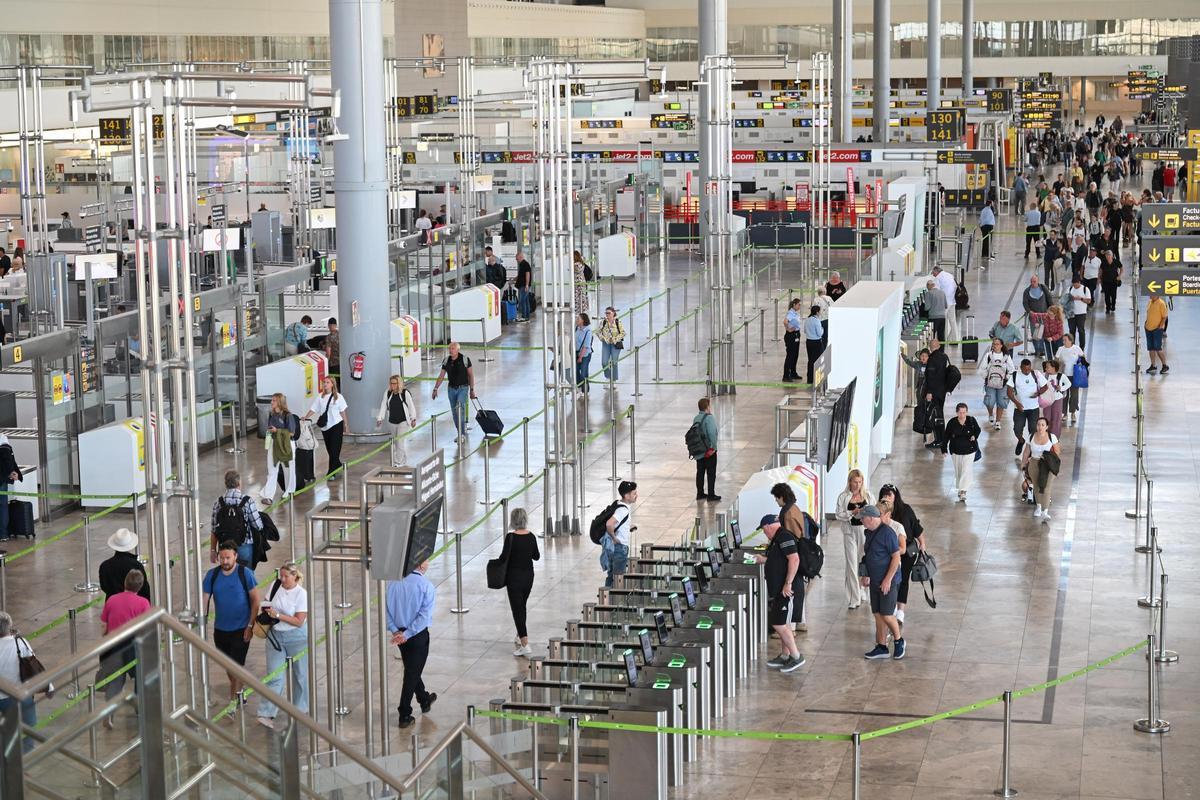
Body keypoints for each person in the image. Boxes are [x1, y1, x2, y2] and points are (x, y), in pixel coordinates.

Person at [203, 541, 261, 701]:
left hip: (241, 628)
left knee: (237, 666)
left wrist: (250, 625)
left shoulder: (246, 574)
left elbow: (256, 600)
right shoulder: (212, 575)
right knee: (229, 667)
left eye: (228, 557)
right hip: (221, 630)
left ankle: (234, 700)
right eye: (222, 558)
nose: (225, 561)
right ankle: (238, 691)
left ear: (235, 556)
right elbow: (204, 600)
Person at [255, 562, 309, 728]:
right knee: (274, 675)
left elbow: (299, 621)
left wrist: (278, 615)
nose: (283, 579)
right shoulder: (276, 585)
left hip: (297, 638)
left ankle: (300, 709)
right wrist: (267, 611)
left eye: (286, 576)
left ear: (295, 577)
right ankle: (266, 713)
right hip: (276, 635)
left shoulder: (301, 594)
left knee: (300, 675)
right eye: (281, 576)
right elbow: (266, 602)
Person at [385, 560, 438, 728]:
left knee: (412, 668)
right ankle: (404, 713)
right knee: (411, 674)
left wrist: (396, 632)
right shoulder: (426, 586)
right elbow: (424, 616)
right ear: (421, 565)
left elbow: (385, 610)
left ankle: (424, 699)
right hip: (416, 635)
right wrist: (406, 634)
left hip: (399, 634)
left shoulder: (392, 583)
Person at [753, 514, 805, 673]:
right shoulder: (778, 538)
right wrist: (764, 560)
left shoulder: (784, 537)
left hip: (787, 589)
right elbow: (780, 560)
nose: (764, 533)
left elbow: (794, 559)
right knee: (784, 622)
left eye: (763, 530)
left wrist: (787, 584)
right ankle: (785, 655)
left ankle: (796, 657)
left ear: (768, 526)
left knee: (778, 623)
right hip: (780, 589)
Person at [98, 569, 152, 723]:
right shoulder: (143, 603)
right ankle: (139, 708)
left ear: (125, 583)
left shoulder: (112, 600)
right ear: (140, 586)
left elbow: (104, 625)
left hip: (113, 644)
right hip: (133, 646)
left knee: (115, 680)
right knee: (140, 677)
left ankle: (109, 712)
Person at [859, 506, 905, 660]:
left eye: (862, 518)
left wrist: (887, 580)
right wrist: (865, 574)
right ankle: (881, 646)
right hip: (875, 581)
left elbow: (896, 557)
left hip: (888, 582)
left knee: (886, 614)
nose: (861, 521)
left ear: (871, 518)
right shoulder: (869, 532)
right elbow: (868, 555)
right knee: (878, 614)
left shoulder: (888, 533)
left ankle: (899, 640)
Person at [0, 612, 50, 750]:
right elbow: (34, 665)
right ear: (9, 627)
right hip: (20, 695)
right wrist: (49, 687)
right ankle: (24, 763)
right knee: (28, 730)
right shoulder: (19, 643)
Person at [876, 485, 923, 625]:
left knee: (902, 581)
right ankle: (891, 608)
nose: (887, 498)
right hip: (887, 555)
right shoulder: (880, 513)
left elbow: (916, 528)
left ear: (895, 496)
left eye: (889, 495)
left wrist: (923, 545)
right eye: (884, 495)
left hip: (906, 553)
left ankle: (900, 610)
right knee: (891, 581)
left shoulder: (905, 510)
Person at [501, 508, 541, 657]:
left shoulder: (510, 538)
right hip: (528, 577)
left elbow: (504, 557)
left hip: (514, 578)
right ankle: (520, 634)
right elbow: (536, 556)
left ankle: (525, 644)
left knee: (517, 610)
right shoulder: (531, 537)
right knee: (522, 606)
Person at [835, 470, 874, 610]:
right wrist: (852, 512)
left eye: (860, 482)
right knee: (851, 564)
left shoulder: (868, 495)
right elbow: (838, 515)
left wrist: (864, 511)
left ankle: (863, 589)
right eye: (855, 482)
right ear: (850, 482)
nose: (857, 485)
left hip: (865, 532)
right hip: (849, 532)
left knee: (864, 561)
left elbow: (874, 512)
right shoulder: (843, 497)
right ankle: (853, 597)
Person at [210, 470, 265, 568]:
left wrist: (213, 551)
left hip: (225, 548)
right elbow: (258, 525)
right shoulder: (247, 501)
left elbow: (214, 530)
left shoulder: (218, 503)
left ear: (225, 484)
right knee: (246, 576)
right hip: (244, 545)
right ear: (239, 483)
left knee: (228, 575)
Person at [432, 342, 476, 442]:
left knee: (459, 410)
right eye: (450, 348)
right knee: (454, 413)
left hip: (463, 388)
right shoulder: (446, 361)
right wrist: (435, 388)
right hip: (451, 389)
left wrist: (472, 390)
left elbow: (471, 375)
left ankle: (462, 435)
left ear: (457, 350)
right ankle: (460, 432)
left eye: (453, 348)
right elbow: (441, 375)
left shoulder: (465, 359)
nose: (451, 350)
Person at [304, 376, 348, 477]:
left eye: (327, 382)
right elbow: (313, 409)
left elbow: (343, 411)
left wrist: (346, 424)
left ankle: (331, 473)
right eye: (324, 382)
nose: (325, 384)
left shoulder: (338, 397)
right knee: (330, 450)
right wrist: (305, 417)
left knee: (334, 450)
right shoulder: (320, 397)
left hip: (337, 425)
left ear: (332, 384)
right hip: (325, 427)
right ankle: (338, 465)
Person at [1021, 417, 1061, 521]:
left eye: (1043, 425)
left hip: (1047, 465)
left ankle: (1045, 511)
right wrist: (1023, 463)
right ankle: (1038, 507)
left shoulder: (1052, 437)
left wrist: (1048, 456)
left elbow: (1057, 451)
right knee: (1037, 486)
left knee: (1047, 487)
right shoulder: (1031, 437)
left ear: (1047, 427)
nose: (1040, 427)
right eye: (1038, 424)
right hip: (1034, 463)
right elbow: (1026, 452)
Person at [260, 393, 298, 504]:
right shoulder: (272, 415)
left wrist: (278, 431)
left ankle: (289, 491)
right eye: (272, 400)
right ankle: (268, 496)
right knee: (272, 469)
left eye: (274, 400)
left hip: (286, 445)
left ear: (280, 402)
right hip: (274, 443)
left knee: (288, 469)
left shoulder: (288, 416)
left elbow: (291, 432)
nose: (271, 402)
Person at [1007, 358, 1048, 457]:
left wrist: (1038, 393)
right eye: (1025, 369)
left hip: (1033, 408)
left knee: (1033, 430)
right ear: (1020, 367)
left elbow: (1045, 386)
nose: (1027, 371)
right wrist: (1017, 403)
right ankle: (1021, 441)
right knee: (1017, 429)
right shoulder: (1015, 375)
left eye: (1028, 369)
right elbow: (1009, 392)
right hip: (1020, 409)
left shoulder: (1035, 374)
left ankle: (1030, 449)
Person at [375, 375, 418, 466]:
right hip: (392, 421)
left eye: (394, 383)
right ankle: (403, 459)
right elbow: (383, 405)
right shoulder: (387, 393)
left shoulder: (405, 393)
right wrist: (380, 418)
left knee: (400, 441)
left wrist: (413, 418)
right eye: (391, 383)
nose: (392, 385)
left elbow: (411, 407)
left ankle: (398, 462)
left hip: (403, 422)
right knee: (396, 443)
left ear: (399, 384)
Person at [98, 528, 151, 601]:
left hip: (113, 604)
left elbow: (104, 587)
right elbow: (144, 589)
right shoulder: (136, 565)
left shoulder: (105, 566)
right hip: (133, 604)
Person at [602, 481, 637, 588]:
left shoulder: (618, 504)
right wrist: (614, 537)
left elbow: (617, 523)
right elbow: (609, 524)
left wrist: (628, 527)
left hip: (613, 547)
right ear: (626, 496)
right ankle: (614, 601)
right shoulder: (623, 510)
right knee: (618, 579)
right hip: (619, 548)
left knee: (611, 577)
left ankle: (606, 601)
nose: (636, 496)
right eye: (634, 493)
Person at [943, 403, 982, 501]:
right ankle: (960, 490)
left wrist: (974, 436)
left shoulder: (971, 421)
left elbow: (978, 430)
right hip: (956, 451)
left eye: (964, 412)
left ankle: (963, 491)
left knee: (966, 469)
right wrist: (944, 449)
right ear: (956, 412)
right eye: (960, 412)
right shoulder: (952, 423)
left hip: (970, 450)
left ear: (967, 412)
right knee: (959, 471)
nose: (962, 415)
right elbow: (946, 436)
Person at [977, 338, 1014, 431]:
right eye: (994, 344)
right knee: (990, 401)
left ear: (1001, 345)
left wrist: (1006, 378)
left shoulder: (1006, 357)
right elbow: (981, 369)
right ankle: (990, 414)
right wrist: (987, 378)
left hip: (1003, 384)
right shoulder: (988, 355)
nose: (995, 346)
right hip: (990, 383)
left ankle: (998, 422)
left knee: (1001, 402)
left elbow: (1012, 370)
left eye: (997, 344)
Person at [922, 338, 951, 448]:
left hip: (934, 392)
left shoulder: (932, 359)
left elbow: (930, 377)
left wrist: (929, 392)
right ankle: (941, 439)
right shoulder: (944, 357)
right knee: (940, 414)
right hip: (942, 391)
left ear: (930, 347)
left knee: (935, 416)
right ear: (939, 346)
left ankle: (939, 440)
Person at [692, 397, 720, 502]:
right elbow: (712, 434)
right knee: (711, 473)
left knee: (700, 472)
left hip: (699, 450)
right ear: (707, 407)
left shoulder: (696, 418)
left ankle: (700, 493)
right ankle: (711, 495)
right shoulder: (709, 418)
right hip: (709, 451)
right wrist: (714, 447)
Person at [1055, 334, 1086, 427]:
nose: (1063, 342)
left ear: (1070, 340)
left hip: (1075, 375)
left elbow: (1083, 359)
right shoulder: (1060, 349)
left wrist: (1081, 365)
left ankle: (1073, 412)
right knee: (1064, 395)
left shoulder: (1076, 348)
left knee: (1074, 395)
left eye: (1065, 340)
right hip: (1064, 376)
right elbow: (1055, 361)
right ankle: (1064, 413)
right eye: (1063, 340)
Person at [1041, 360, 1071, 438]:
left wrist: (1061, 388)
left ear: (1054, 368)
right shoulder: (1044, 375)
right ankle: (1046, 435)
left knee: (1056, 417)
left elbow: (1069, 384)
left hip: (1057, 399)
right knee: (1047, 417)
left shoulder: (1061, 376)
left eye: (1048, 367)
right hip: (1047, 399)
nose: (1046, 368)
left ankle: (1055, 437)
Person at [0, 434, 21, 541]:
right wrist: (12, 472)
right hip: (2, 478)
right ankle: (3, 534)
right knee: (3, 505)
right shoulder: (2, 438)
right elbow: (8, 458)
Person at [1021, 276, 1049, 355]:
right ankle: (1037, 350)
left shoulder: (1043, 288)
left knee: (1043, 333)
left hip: (1044, 315)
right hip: (1033, 317)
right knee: (1034, 334)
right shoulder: (1027, 291)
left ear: (1038, 281)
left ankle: (1043, 350)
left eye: (1034, 281)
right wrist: (1029, 311)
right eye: (1032, 282)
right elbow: (1025, 303)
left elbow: (1049, 298)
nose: (1033, 283)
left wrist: (1051, 310)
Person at [597, 307, 626, 382]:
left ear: (613, 313)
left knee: (614, 362)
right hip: (606, 344)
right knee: (604, 362)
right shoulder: (603, 322)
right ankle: (608, 376)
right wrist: (602, 338)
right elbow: (598, 332)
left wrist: (614, 339)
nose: (607, 315)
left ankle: (614, 379)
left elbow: (623, 333)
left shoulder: (617, 321)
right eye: (606, 313)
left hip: (615, 344)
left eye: (608, 313)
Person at [1066, 274, 1092, 348]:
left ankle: (1081, 347)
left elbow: (1089, 301)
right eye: (1073, 285)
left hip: (1081, 313)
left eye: (1076, 285)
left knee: (1081, 330)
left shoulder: (1085, 289)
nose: (1074, 286)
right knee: (1071, 331)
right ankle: (1072, 346)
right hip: (1071, 313)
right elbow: (1064, 300)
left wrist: (1080, 298)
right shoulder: (1070, 289)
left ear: (1079, 282)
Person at [1145, 294, 1169, 375]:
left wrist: (1160, 326)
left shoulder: (1161, 303)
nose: (1149, 295)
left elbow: (1164, 317)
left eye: (1151, 294)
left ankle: (1164, 365)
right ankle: (1153, 365)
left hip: (1157, 330)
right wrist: (1146, 323)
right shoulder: (1149, 302)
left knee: (1158, 348)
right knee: (1150, 348)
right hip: (1148, 328)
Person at [782, 298, 803, 382]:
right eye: (798, 305)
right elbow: (785, 321)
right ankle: (786, 375)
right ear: (794, 305)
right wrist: (788, 329)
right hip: (791, 336)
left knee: (795, 355)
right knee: (790, 356)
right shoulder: (790, 313)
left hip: (796, 334)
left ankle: (793, 372)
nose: (799, 306)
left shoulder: (795, 313)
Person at [803, 304, 825, 384]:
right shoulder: (817, 321)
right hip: (816, 342)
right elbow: (819, 334)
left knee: (810, 360)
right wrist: (822, 329)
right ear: (817, 312)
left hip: (808, 342)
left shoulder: (807, 319)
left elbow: (805, 331)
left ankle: (810, 378)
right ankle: (817, 379)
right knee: (817, 361)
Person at [1099, 248, 1122, 314]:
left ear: (1112, 255)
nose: (1108, 256)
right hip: (1105, 281)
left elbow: (1121, 268)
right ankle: (1108, 308)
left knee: (1113, 295)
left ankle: (1113, 305)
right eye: (1107, 255)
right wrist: (1099, 278)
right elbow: (1101, 270)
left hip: (1114, 281)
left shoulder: (1116, 261)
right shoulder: (1103, 262)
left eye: (1109, 255)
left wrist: (1119, 276)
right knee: (1107, 295)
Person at [575, 313, 594, 392]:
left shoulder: (588, 331)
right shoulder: (577, 328)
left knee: (583, 373)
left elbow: (586, 346)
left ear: (583, 320)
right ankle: (579, 387)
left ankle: (585, 390)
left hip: (585, 355)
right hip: (576, 353)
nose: (576, 320)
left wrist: (580, 357)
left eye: (578, 319)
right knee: (575, 371)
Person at [514, 250, 534, 322]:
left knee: (522, 301)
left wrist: (527, 285)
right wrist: (513, 279)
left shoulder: (525, 264)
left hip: (524, 286)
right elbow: (520, 275)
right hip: (522, 285)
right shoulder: (522, 264)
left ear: (520, 257)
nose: (517, 260)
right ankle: (527, 317)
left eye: (517, 259)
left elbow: (527, 274)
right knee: (526, 301)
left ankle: (524, 316)